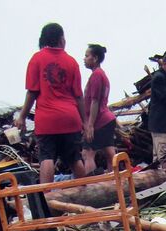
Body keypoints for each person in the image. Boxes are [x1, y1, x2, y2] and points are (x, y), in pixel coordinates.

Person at [14, 23, 86, 183]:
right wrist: (86, 122)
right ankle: (86, 193)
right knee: (75, 159)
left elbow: (32, 92)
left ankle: (47, 198)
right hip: (70, 118)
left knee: (47, 158)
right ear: (61, 40)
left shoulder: (37, 59)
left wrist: (22, 117)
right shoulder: (72, 62)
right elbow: (79, 96)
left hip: (47, 120)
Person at [82, 44, 116, 175]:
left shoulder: (96, 75)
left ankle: (91, 185)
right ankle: (114, 178)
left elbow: (95, 101)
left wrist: (90, 125)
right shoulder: (102, 75)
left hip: (99, 120)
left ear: (95, 58)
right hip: (107, 118)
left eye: (86, 56)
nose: (84, 59)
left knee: (87, 153)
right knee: (109, 151)